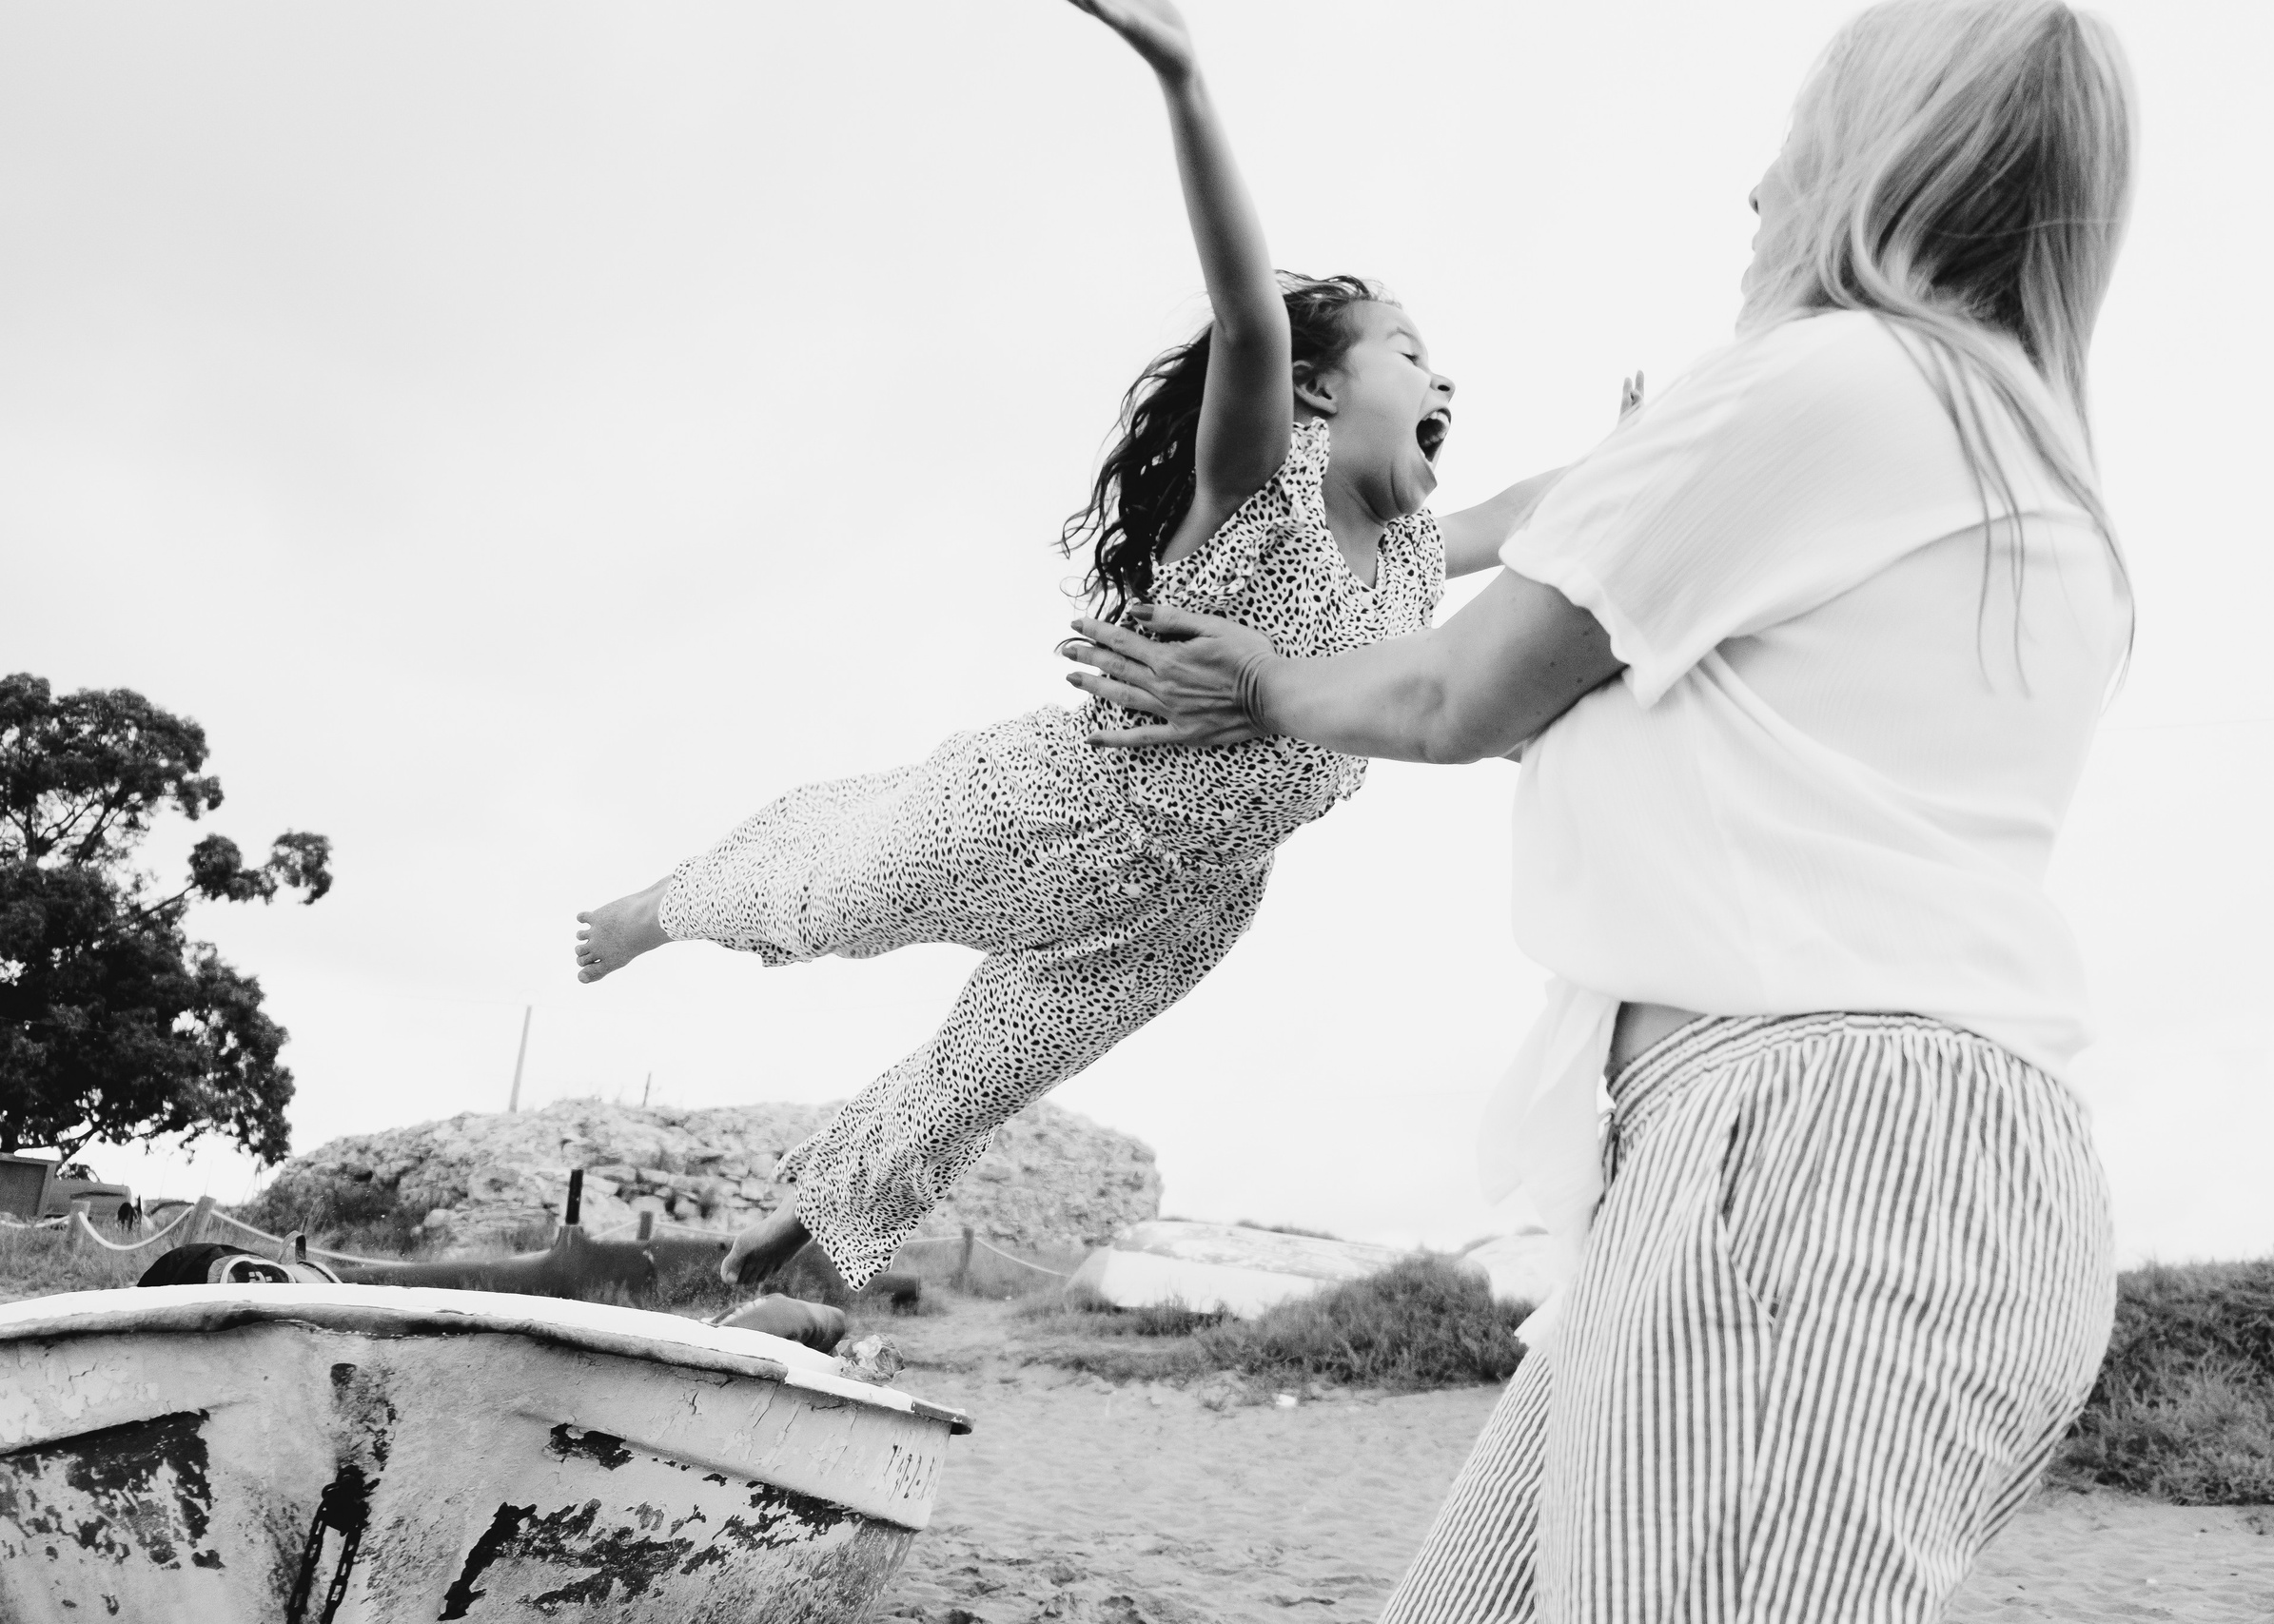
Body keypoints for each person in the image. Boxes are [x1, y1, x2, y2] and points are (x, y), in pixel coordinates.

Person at [1062, 1, 2137, 1616]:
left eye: (1799, 140)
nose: (1760, 196)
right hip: (1880, 1166)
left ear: (1880, 155)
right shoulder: (2042, 485)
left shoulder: (1819, 384)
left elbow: (1459, 694)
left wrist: (1263, 679)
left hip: (1805, 1160)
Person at [571, 0, 1597, 1293]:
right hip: (1055, 803)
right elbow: (1248, 325)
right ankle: (661, 905)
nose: (1442, 382)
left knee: (994, 1066)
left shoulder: (1403, 562)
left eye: (1445, 368)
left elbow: (1524, 513)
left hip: (1202, 893)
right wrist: (1185, 81)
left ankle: (816, 1209)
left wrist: (1635, 453)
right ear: (1325, 391)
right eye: (1410, 354)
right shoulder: (1258, 493)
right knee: (831, 902)